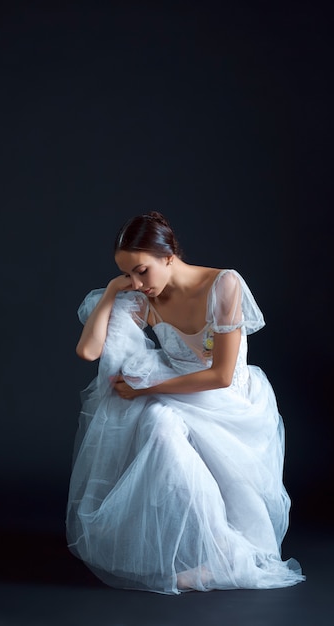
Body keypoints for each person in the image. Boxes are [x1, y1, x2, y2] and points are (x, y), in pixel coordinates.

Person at [66, 212, 305, 594]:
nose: (138, 284)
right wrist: (112, 292)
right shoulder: (147, 299)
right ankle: (221, 548)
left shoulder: (224, 284)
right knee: (157, 423)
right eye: (128, 275)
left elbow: (221, 376)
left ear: (168, 256)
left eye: (142, 271)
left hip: (227, 401)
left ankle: (235, 553)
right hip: (177, 394)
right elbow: (88, 350)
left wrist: (145, 391)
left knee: (156, 414)